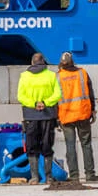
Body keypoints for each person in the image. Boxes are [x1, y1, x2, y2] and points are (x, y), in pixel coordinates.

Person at [16, 52, 61, 184]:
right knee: (47, 145)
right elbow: (57, 94)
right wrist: (45, 103)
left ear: (32, 62)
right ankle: (48, 177)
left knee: (31, 145)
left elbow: (21, 96)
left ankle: (34, 177)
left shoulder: (24, 76)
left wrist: (34, 104)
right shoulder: (51, 75)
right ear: (43, 62)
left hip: (30, 114)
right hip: (48, 114)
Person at [55, 52, 98, 184]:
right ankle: (90, 174)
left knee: (70, 146)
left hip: (66, 115)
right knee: (86, 144)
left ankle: (74, 176)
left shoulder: (57, 77)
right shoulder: (82, 73)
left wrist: (56, 117)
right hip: (83, 113)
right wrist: (93, 110)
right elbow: (90, 93)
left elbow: (55, 98)